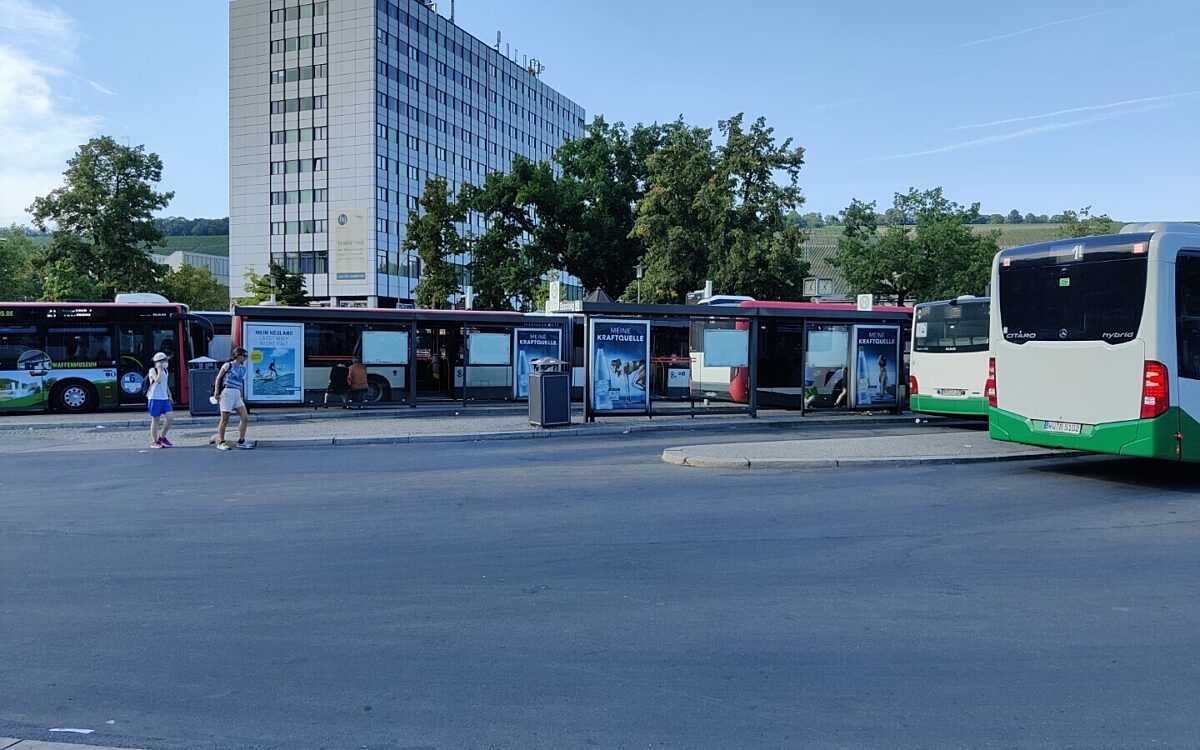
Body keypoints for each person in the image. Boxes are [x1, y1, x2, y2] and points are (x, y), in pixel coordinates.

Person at [213, 347, 253, 450]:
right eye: (244, 356)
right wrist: (216, 392)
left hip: (237, 392)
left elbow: (241, 383)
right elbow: (219, 378)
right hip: (227, 392)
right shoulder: (228, 365)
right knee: (225, 419)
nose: (245, 358)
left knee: (245, 417)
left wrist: (241, 394)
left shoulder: (243, 369)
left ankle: (241, 441)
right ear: (239, 355)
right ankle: (221, 442)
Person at [145, 352, 174, 448]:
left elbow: (165, 383)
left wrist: (169, 394)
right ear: (158, 362)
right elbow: (158, 380)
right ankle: (155, 441)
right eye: (164, 360)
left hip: (164, 398)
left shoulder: (166, 371)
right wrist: (159, 369)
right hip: (155, 398)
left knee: (170, 418)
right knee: (155, 420)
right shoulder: (152, 370)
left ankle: (162, 437)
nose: (166, 362)